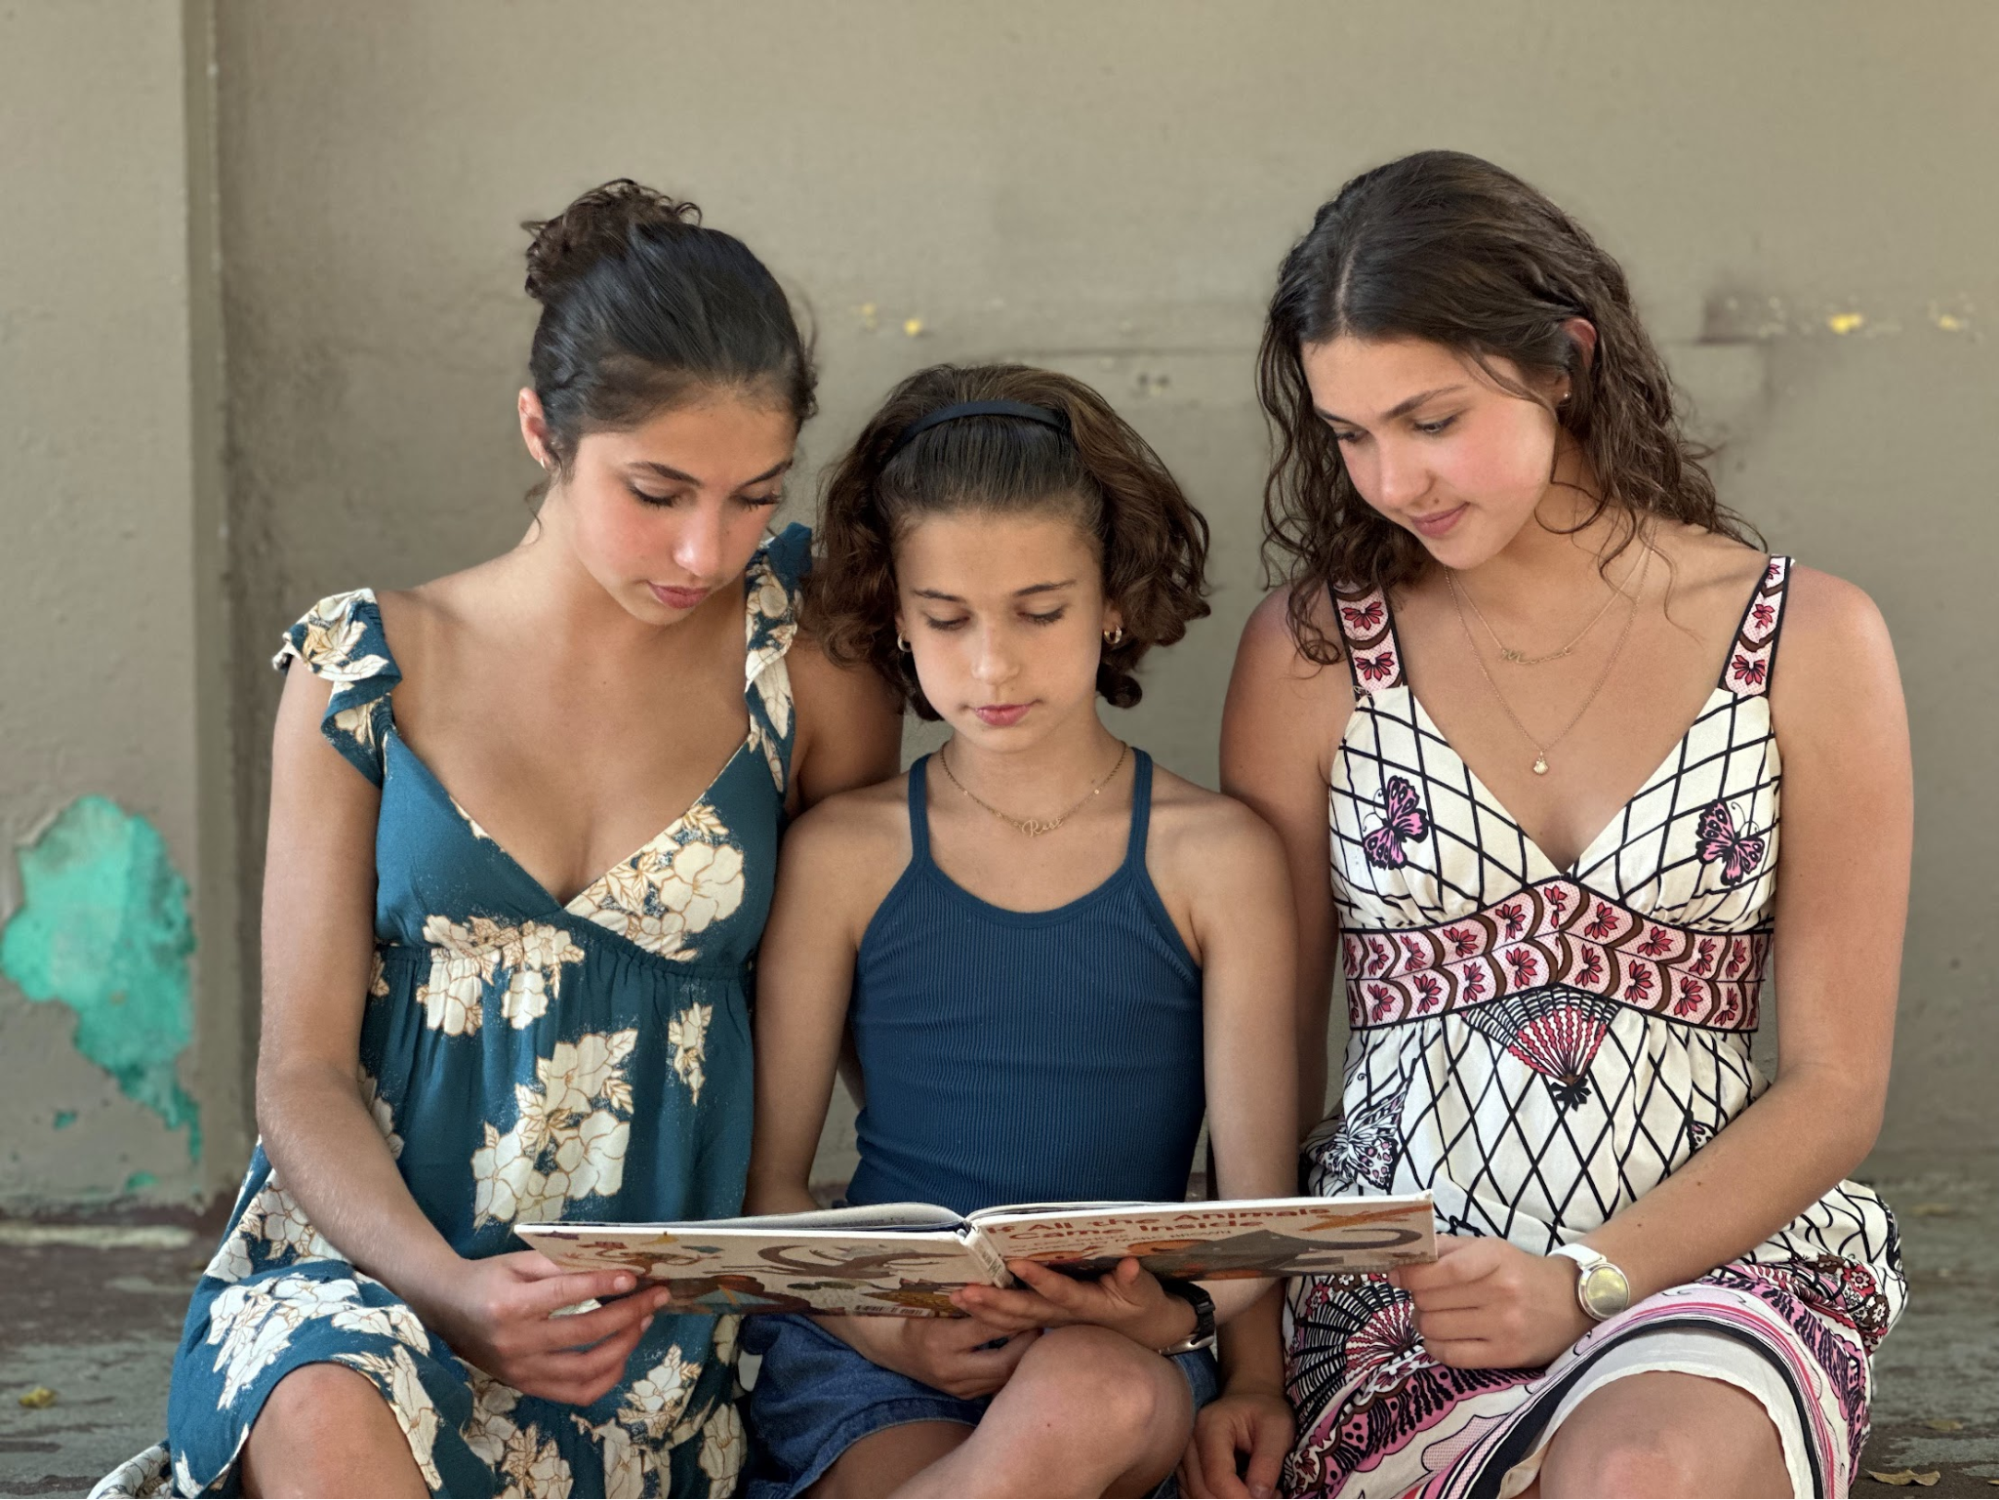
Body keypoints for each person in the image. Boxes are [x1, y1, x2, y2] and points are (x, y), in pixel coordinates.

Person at [94, 180, 900, 1500]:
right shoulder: (360, 668)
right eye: (656, 490)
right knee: (319, 1397)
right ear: (542, 430)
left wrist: (891, 1269)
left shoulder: (797, 666)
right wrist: (447, 1288)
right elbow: (297, 1072)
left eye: (753, 495)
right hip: (365, 1273)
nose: (705, 546)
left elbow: (862, 1001)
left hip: (641, 1328)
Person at [1212, 151, 1910, 1498]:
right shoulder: (1307, 655)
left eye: (1428, 419)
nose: (1389, 479)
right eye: (1349, 435)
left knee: (1638, 1467)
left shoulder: (1807, 642)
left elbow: (1836, 1086)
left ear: (1562, 363)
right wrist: (1246, 1360)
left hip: (1714, 1282)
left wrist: (1587, 1281)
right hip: (1403, 1298)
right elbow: (1259, 1059)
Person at [742, 364, 1301, 1499]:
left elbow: (1258, 1210)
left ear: (1114, 598)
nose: (991, 663)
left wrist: (1192, 1328)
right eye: (945, 619)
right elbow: (772, 1190)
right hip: (881, 1355)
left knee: (1083, 1400)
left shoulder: (1218, 858)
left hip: (1117, 1356)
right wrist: (887, 1331)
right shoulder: (842, 855)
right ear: (895, 617)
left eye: (1039, 612)